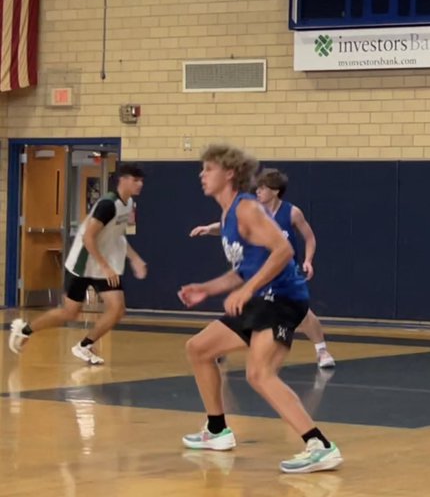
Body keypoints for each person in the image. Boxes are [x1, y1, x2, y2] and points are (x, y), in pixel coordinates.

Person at [177, 144, 342, 474]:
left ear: (230, 173)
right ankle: (216, 430)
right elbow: (244, 269)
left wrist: (248, 290)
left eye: (208, 169)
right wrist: (206, 289)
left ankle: (320, 445)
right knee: (198, 349)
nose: (202, 175)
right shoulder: (227, 217)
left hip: (282, 299)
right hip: (261, 298)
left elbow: (282, 251)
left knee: (259, 374)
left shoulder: (247, 208)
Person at [192, 168, 336, 369]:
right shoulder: (253, 209)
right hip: (259, 269)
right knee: (241, 306)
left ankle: (321, 350)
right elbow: (231, 224)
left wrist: (308, 260)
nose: (258, 191)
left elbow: (309, 237)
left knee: (303, 314)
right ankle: (220, 347)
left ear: (276, 191)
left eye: (263, 188)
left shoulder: (292, 212)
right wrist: (210, 229)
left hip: (284, 273)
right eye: (257, 188)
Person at [9, 163, 148, 364]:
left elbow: (117, 236)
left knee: (117, 309)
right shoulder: (107, 205)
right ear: (123, 180)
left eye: (141, 180)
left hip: (102, 267)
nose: (140, 184)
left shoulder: (128, 205)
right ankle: (25, 330)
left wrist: (134, 258)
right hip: (83, 264)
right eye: (136, 180)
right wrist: (106, 266)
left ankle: (84, 346)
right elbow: (88, 239)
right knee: (70, 313)